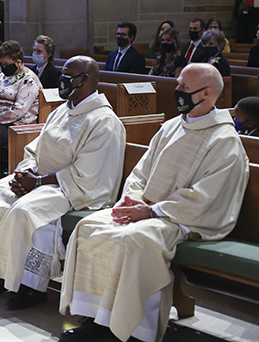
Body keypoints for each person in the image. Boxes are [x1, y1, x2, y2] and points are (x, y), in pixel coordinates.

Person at [59, 63, 249, 342]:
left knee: (134, 241)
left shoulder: (224, 140)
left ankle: (132, 329)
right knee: (89, 227)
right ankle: (98, 318)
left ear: (207, 93)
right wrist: (133, 200)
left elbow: (204, 198)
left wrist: (150, 211)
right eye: (178, 84)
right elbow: (141, 172)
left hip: (182, 220)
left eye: (184, 87)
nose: (177, 91)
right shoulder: (171, 127)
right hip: (145, 210)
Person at [0, 56, 124, 310]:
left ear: (85, 80)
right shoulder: (62, 111)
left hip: (73, 189)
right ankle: (0, 273)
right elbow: (36, 149)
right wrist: (26, 173)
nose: (62, 80)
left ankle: (32, 287)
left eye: (68, 75)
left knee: (24, 212)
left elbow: (89, 174)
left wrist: (38, 182)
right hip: (41, 179)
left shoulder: (104, 121)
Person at [0, 41, 42, 146]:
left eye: (6, 64)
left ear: (18, 62)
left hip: (18, 124)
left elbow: (19, 110)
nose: (4, 67)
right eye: (1, 64)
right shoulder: (1, 77)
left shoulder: (29, 80)